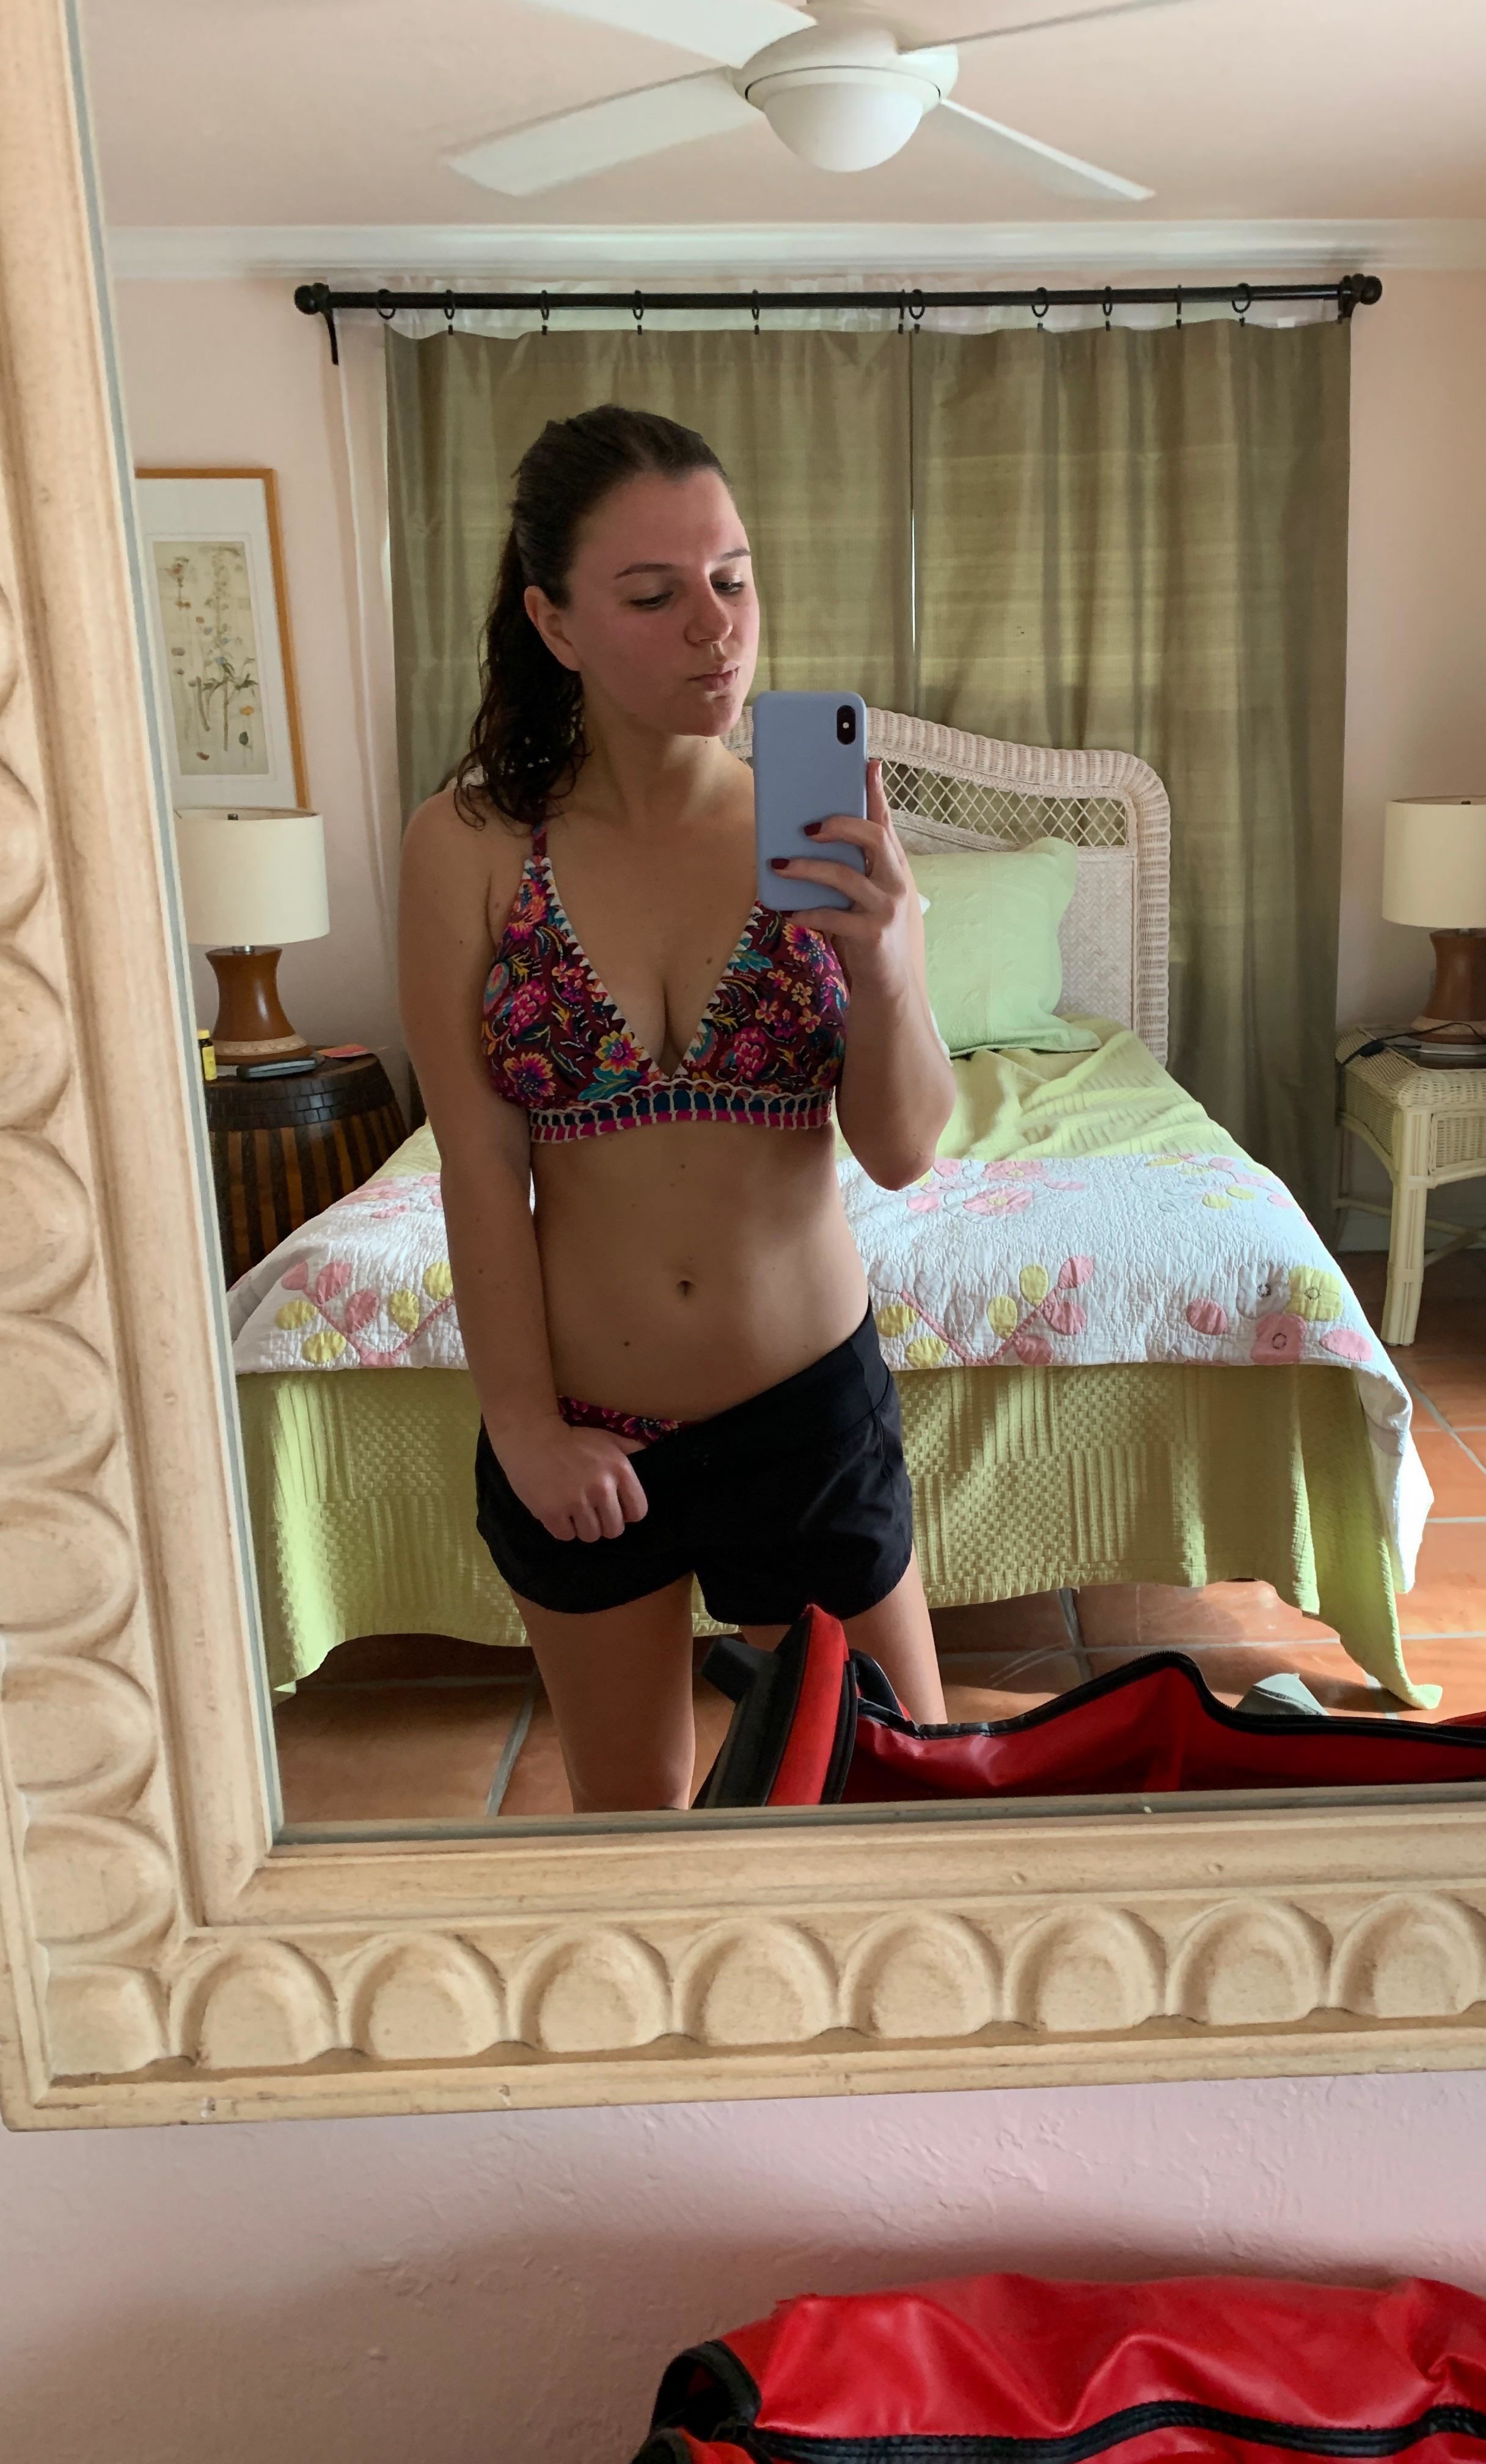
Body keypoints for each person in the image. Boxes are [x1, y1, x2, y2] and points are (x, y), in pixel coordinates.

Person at [399, 405, 953, 1813]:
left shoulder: (820, 831)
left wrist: (889, 967)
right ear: (556, 622)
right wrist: (524, 1426)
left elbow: (902, 1151)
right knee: (634, 1825)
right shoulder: (470, 844)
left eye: (733, 577)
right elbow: (478, 1162)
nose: (717, 627)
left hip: (804, 1408)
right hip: (586, 1427)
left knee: (886, 1806)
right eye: (653, 595)